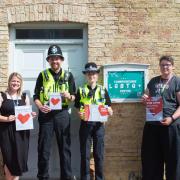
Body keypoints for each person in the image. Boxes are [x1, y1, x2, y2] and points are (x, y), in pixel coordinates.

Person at [33, 44, 76, 180]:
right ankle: (43, 177)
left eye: (57, 58)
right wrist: (40, 107)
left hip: (62, 114)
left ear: (61, 60)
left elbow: (74, 96)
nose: (54, 61)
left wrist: (68, 96)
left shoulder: (68, 75)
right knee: (43, 149)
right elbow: (35, 96)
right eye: (52, 58)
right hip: (46, 114)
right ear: (48, 60)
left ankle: (66, 177)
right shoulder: (42, 75)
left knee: (65, 149)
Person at [141, 55, 180, 180]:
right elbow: (146, 97)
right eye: (162, 65)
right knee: (152, 160)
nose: (165, 67)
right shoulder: (153, 81)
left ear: (172, 66)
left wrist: (172, 118)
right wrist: (144, 99)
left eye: (167, 64)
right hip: (152, 126)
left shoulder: (177, 82)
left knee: (173, 161)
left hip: (171, 127)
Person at [75, 62, 113, 180]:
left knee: (99, 155)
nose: (91, 75)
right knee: (85, 155)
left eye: (94, 73)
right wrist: (80, 114)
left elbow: (109, 108)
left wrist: (110, 112)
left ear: (97, 75)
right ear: (86, 75)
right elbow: (78, 108)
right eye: (89, 73)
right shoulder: (80, 90)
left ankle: (99, 178)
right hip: (85, 125)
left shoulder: (103, 90)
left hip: (99, 126)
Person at [0, 72, 36, 180]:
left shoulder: (25, 97)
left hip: (22, 134)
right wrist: (6, 119)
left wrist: (31, 115)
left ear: (20, 83)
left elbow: (27, 114)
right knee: (9, 161)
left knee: (19, 161)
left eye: (18, 81)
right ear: (9, 82)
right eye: (13, 81)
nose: (15, 83)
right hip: (6, 133)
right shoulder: (2, 96)